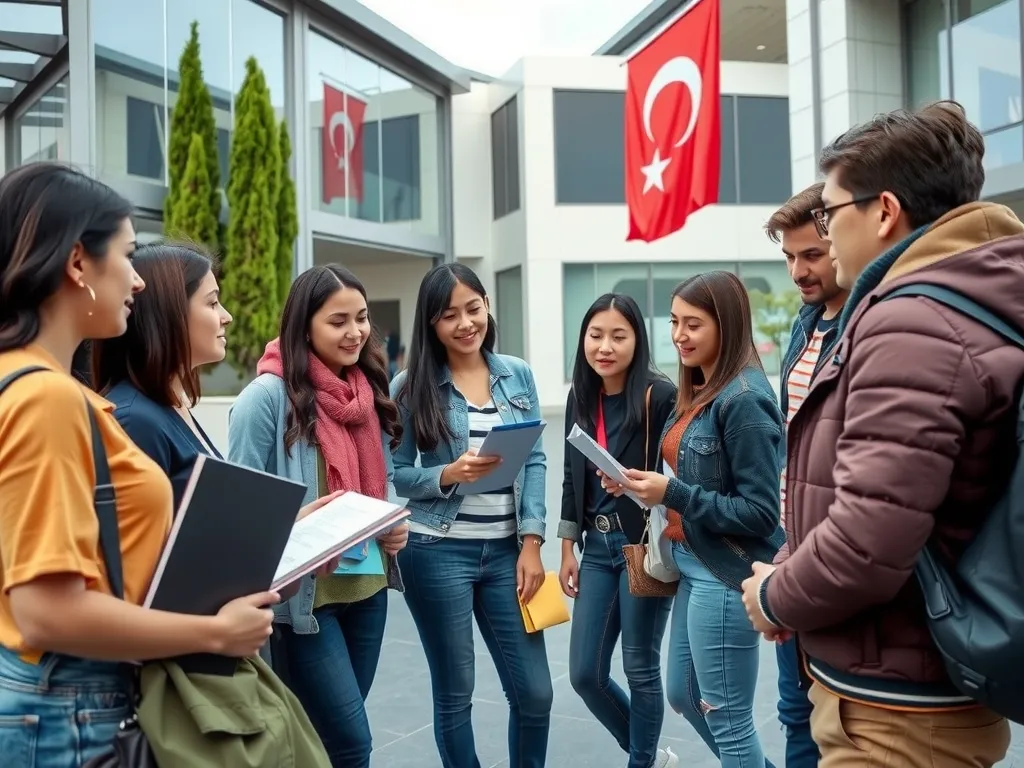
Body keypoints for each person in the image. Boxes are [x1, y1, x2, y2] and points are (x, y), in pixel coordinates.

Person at [743, 101, 1021, 767]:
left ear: (885, 211)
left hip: (897, 714)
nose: (826, 232)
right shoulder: (964, 296)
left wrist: (776, 596)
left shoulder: (913, 324)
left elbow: (869, 541)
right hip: (917, 679)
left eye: (832, 213)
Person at [0, 162, 278, 768]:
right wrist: (214, 634)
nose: (140, 281)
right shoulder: (46, 397)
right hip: (68, 707)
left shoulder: (27, 385)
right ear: (78, 264)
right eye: (127, 256)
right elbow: (45, 611)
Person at [228, 264, 409, 768]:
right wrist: (298, 521)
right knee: (352, 743)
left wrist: (394, 520)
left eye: (362, 318)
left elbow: (386, 474)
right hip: (305, 603)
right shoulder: (265, 399)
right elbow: (239, 507)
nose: (355, 333)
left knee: (325, 739)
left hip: (367, 588)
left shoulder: (366, 389)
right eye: (338, 321)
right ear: (303, 325)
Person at [602, 272, 783, 768]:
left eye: (694, 324)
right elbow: (688, 474)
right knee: (683, 693)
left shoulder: (745, 399)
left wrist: (674, 491)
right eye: (675, 321)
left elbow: (762, 512)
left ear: (727, 327)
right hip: (693, 559)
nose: (679, 334)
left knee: (727, 715)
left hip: (726, 571)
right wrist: (642, 486)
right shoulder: (703, 385)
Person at [390, 263, 552, 768]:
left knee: (535, 694)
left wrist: (531, 542)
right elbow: (396, 471)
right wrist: (446, 475)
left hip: (509, 553)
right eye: (448, 315)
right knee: (456, 693)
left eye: (473, 308)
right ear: (430, 323)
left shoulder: (516, 373)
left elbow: (536, 458)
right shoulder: (410, 385)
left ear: (487, 307)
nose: (465, 323)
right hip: (436, 551)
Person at [557, 293, 678, 768]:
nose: (604, 346)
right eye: (595, 334)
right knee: (585, 673)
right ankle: (648, 756)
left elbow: (675, 477)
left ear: (637, 340)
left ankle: (641, 762)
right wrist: (567, 547)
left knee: (640, 667)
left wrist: (629, 483)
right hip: (596, 548)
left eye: (618, 336)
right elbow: (572, 476)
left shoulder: (658, 394)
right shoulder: (579, 397)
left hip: (641, 546)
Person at [763, 182, 847, 767]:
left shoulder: (870, 322)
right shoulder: (806, 320)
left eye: (811, 254)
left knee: (832, 722)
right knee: (794, 715)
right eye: (789, 257)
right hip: (791, 544)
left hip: (838, 552)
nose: (797, 270)